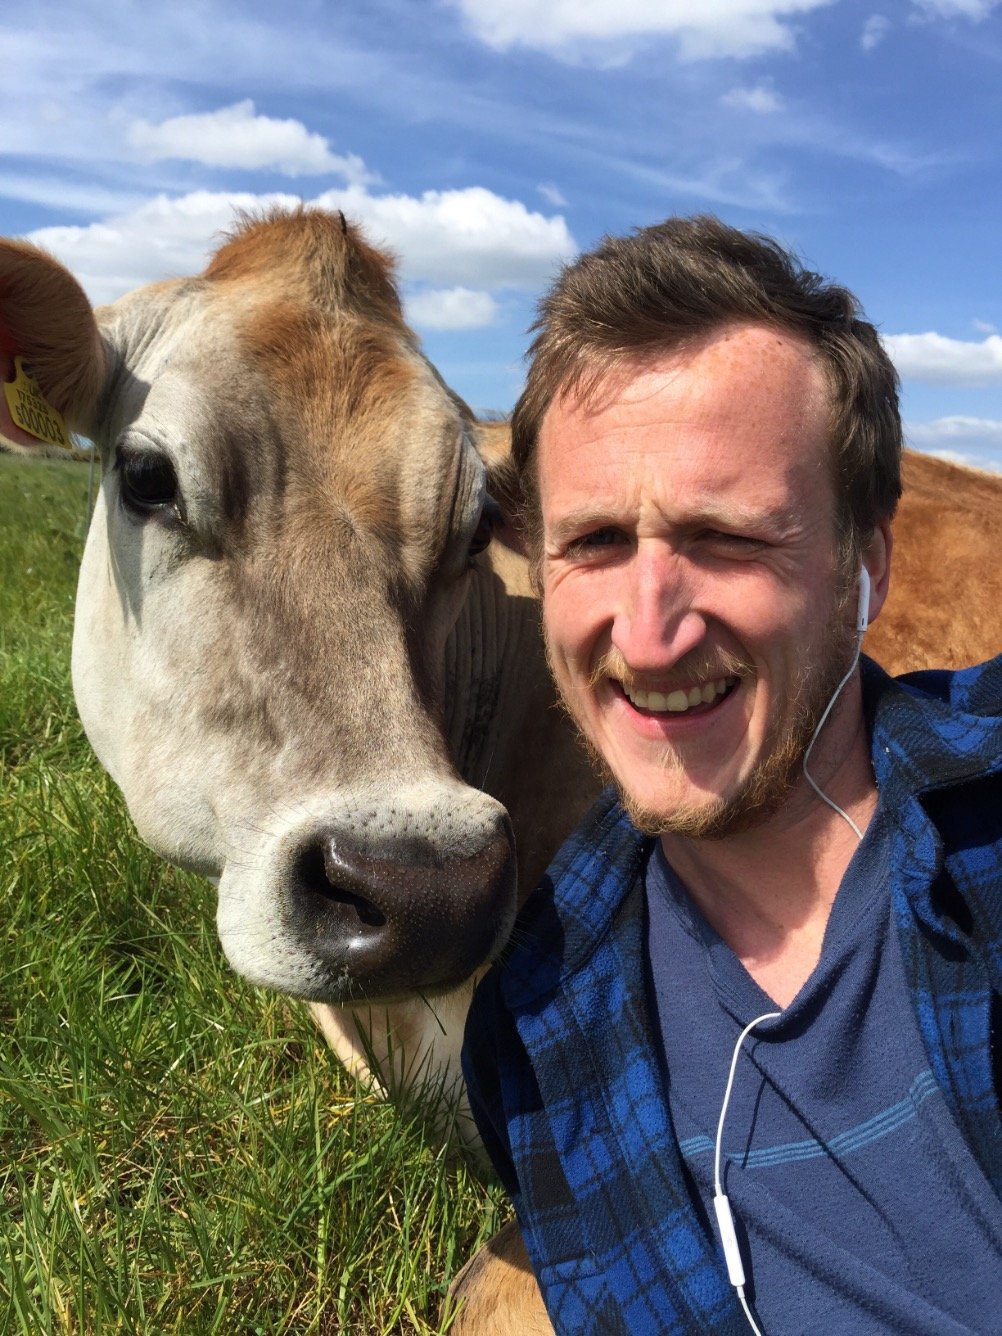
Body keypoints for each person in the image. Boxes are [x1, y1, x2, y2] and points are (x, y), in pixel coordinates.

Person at [461, 216, 1002, 1335]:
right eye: (597, 541)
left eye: (726, 538)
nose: (647, 636)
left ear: (866, 566)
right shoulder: (531, 1022)